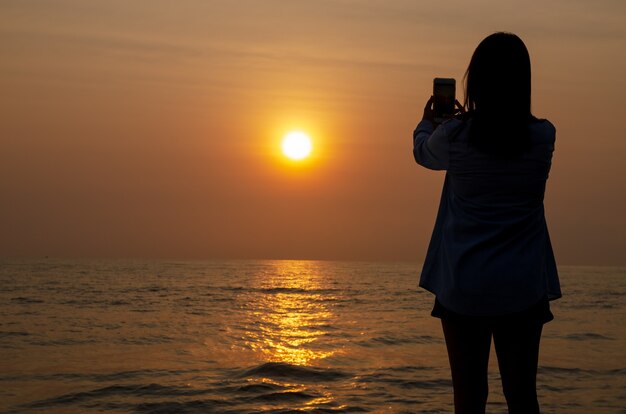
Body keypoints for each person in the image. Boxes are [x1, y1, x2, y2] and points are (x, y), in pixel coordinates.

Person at [412, 32, 562, 414]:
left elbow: (423, 155)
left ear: (475, 81)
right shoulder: (543, 137)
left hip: (465, 284)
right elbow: (503, 138)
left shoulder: (455, 136)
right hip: (522, 286)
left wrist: (428, 123)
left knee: (468, 396)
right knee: (522, 396)